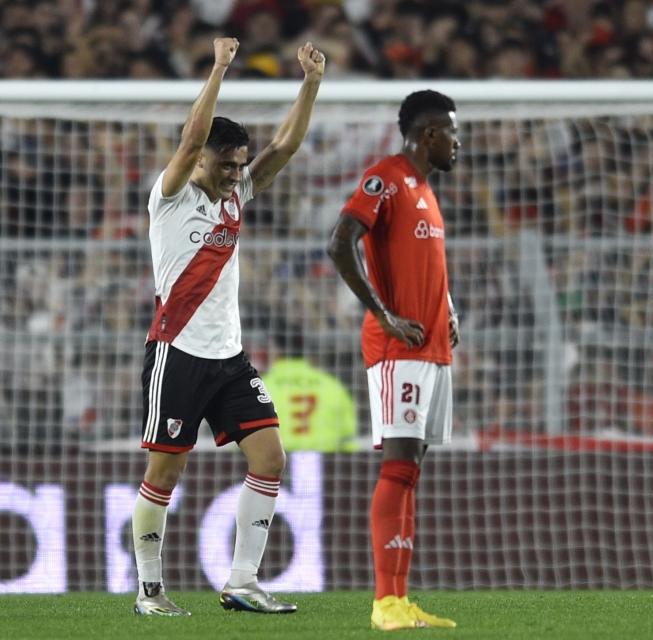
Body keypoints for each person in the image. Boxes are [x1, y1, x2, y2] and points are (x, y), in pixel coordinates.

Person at [131, 37, 325, 616]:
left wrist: (311, 83)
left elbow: (286, 145)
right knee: (165, 470)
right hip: (178, 352)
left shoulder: (236, 195)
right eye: (226, 163)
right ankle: (149, 592)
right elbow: (192, 136)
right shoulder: (169, 198)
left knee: (270, 459)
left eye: (240, 164)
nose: (235, 173)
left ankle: (242, 582)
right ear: (199, 160)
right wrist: (218, 66)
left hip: (230, 356)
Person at [327, 89, 460, 630]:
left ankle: (401, 599)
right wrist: (382, 315)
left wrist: (449, 307)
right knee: (398, 465)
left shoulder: (425, 189)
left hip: (431, 347)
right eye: (452, 132)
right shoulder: (385, 177)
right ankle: (384, 601)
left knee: (411, 471)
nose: (458, 143)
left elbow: (422, 263)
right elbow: (340, 243)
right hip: (397, 347)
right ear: (429, 134)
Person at [262, 332, 359, 453]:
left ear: (276, 351)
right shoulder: (331, 385)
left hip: (276, 461)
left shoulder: (262, 387)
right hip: (326, 460)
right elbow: (348, 435)